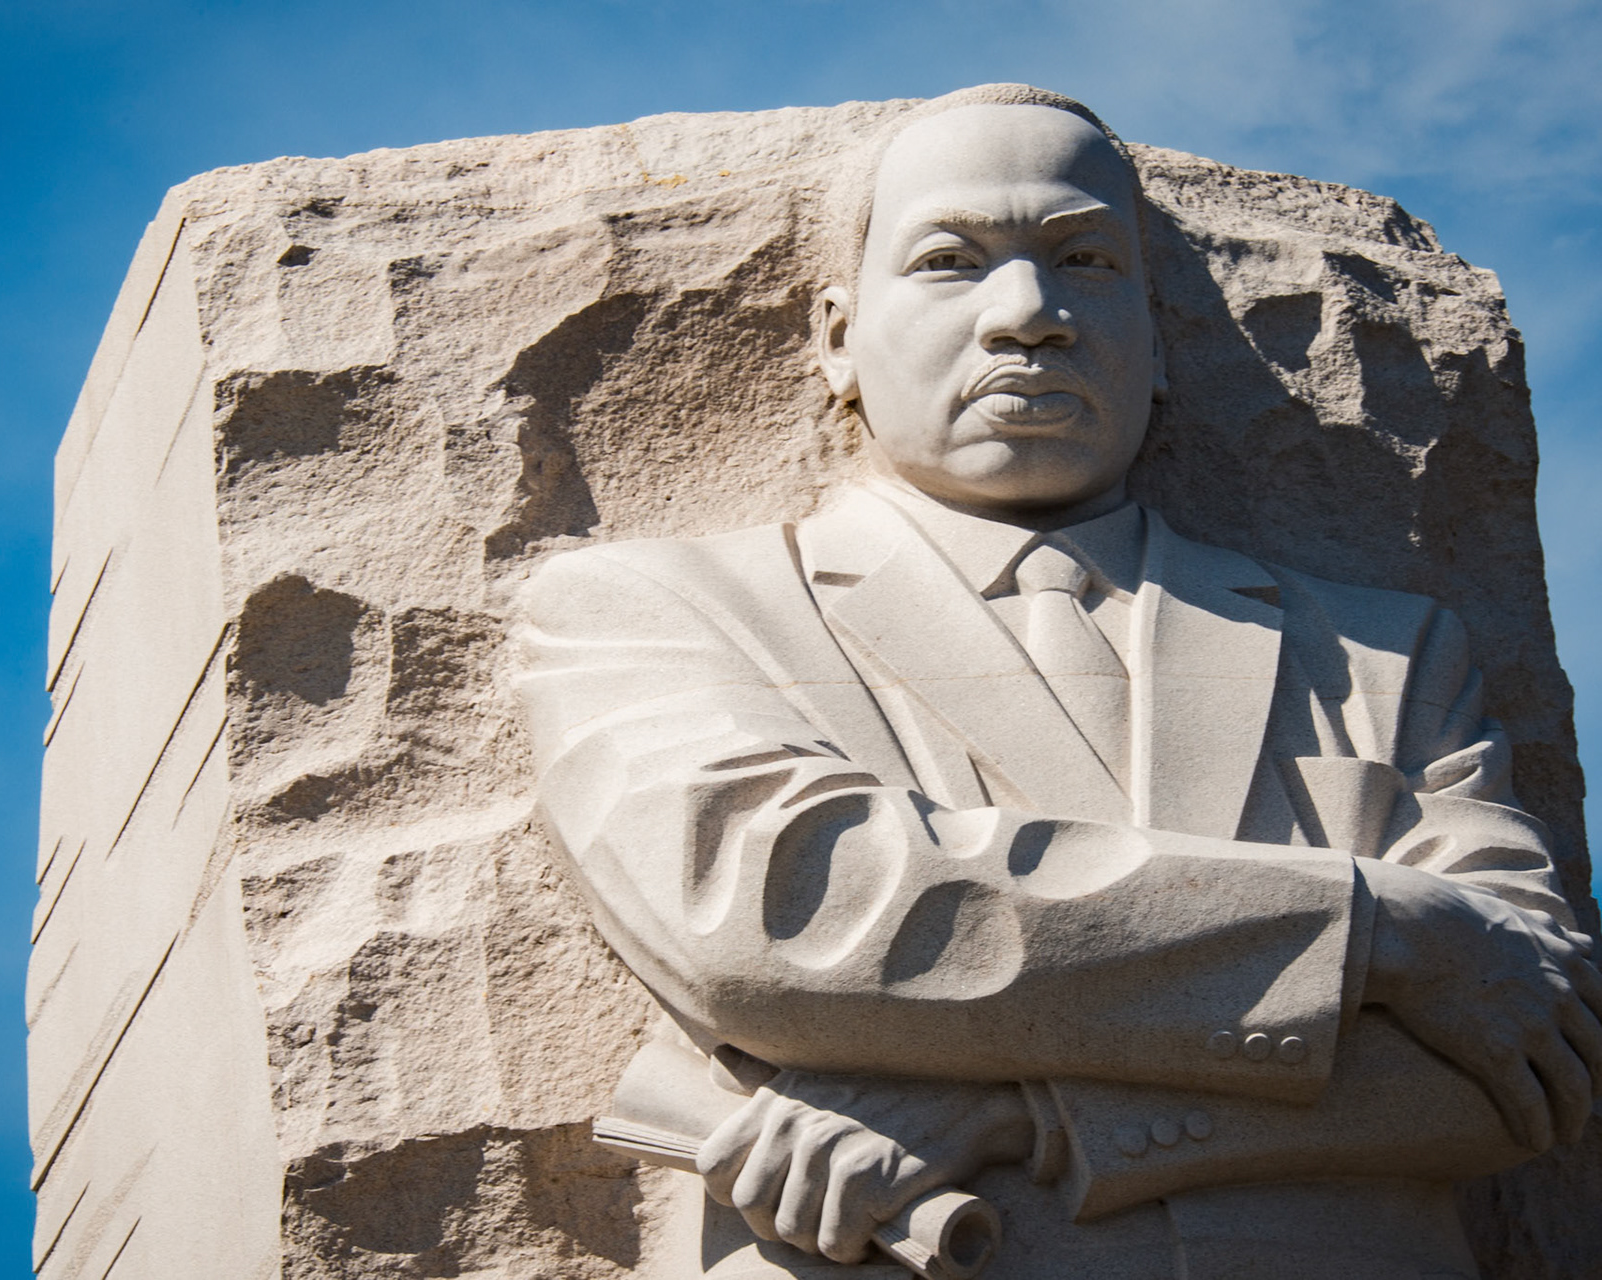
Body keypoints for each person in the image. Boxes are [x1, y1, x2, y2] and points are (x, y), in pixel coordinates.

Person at [513, 84, 1601, 1280]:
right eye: (949, 261)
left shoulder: (1385, 653)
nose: (1029, 314)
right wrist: (1382, 929)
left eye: (1085, 260)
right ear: (838, 339)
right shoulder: (663, 609)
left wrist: (1023, 1111)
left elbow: (1526, 1053)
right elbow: (786, 915)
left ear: (1159, 340)